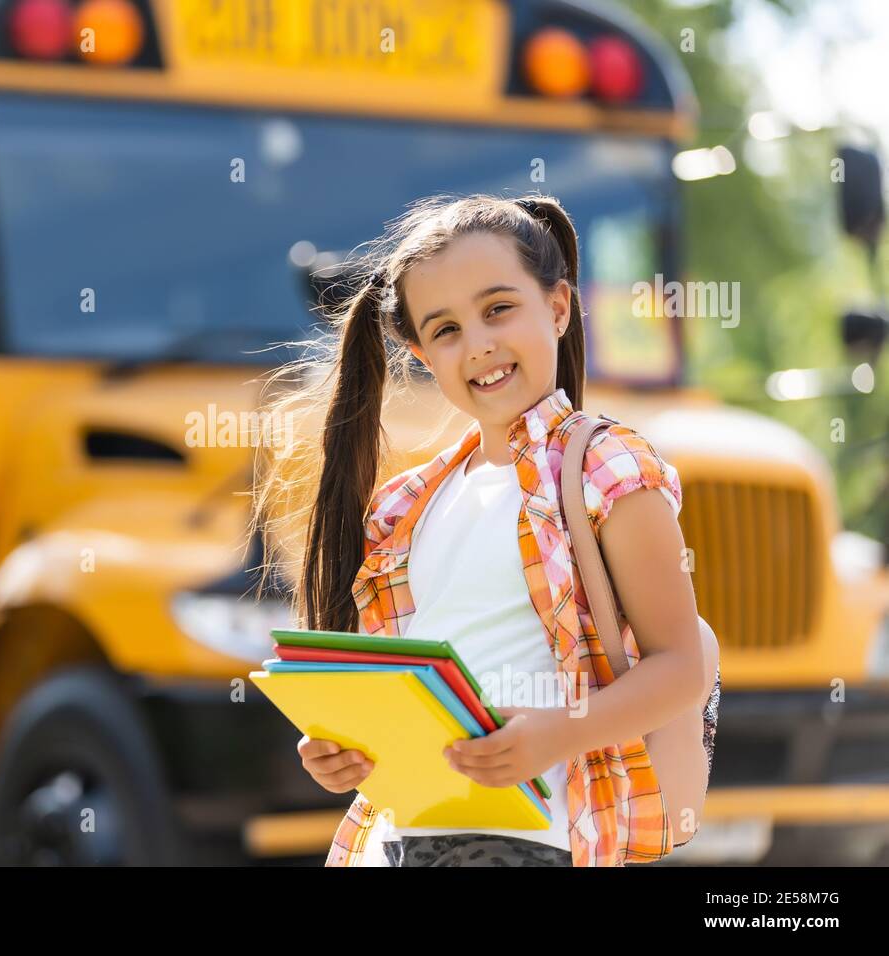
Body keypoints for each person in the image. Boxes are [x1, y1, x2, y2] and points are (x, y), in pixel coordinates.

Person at [249, 193, 720, 867]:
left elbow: (680, 667)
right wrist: (349, 748)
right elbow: (413, 689)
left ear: (558, 308)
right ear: (420, 353)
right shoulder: (407, 504)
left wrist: (554, 735)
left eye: (498, 308)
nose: (480, 345)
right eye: (445, 330)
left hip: (536, 841)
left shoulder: (605, 466)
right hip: (396, 844)